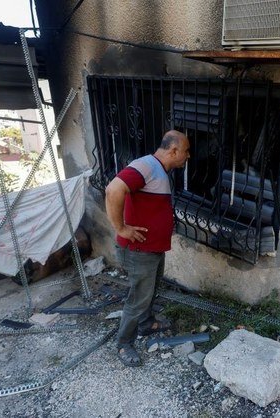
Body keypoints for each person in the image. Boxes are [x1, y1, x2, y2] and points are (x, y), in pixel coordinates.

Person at [105, 130, 190, 367]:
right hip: (139, 251)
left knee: (149, 291)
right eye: (186, 151)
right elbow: (113, 190)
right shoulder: (147, 165)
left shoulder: (156, 169)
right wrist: (120, 228)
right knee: (138, 299)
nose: (187, 156)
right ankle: (124, 343)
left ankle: (146, 324)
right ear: (173, 150)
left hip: (151, 248)